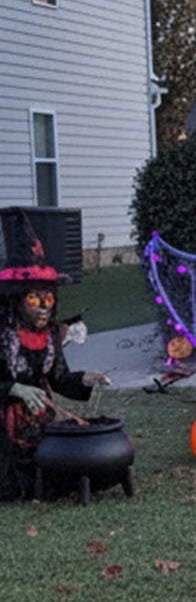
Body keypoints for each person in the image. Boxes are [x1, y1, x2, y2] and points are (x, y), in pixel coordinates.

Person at [0, 213, 107, 500]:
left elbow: (59, 379)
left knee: (70, 458)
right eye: (34, 299)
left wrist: (85, 379)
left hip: (38, 418)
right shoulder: (3, 333)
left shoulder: (49, 335)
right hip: (3, 423)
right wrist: (13, 388)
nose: (43, 307)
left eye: (48, 299)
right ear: (16, 299)